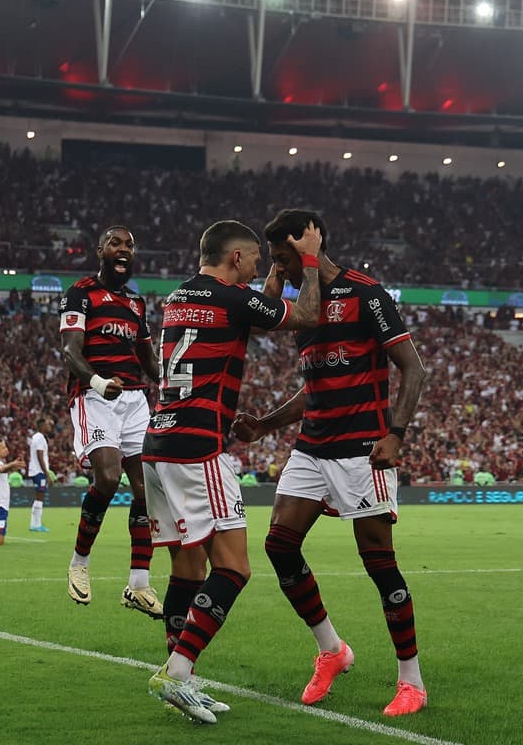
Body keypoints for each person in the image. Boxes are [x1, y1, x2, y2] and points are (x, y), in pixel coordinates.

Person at [232, 209, 429, 717]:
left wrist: (396, 433)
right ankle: (332, 649)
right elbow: (312, 388)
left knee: (379, 563)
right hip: (312, 447)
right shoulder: (303, 306)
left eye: (282, 259)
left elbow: (413, 369)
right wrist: (266, 425)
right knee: (279, 544)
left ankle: (412, 680)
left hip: (363, 448)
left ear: (308, 249)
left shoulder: (367, 294)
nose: (280, 269)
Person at [143, 218, 323, 724]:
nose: (263, 269)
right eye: (258, 262)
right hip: (199, 447)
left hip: (159, 442)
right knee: (235, 567)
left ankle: (182, 677)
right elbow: (305, 313)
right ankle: (177, 673)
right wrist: (308, 259)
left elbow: (255, 309)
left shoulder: (181, 296)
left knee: (186, 568)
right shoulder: (232, 297)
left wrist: (266, 289)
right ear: (238, 260)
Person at [60, 225, 163, 616]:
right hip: (95, 396)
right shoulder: (80, 293)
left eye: (130, 245)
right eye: (116, 243)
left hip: (136, 400)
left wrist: (179, 380)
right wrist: (99, 382)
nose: (124, 249)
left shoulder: (137, 305)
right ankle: (79, 564)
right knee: (107, 477)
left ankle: (138, 584)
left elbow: (151, 364)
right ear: (101, 249)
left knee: (147, 491)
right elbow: (70, 352)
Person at [26, 418, 53, 532]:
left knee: (39, 497)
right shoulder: (39, 438)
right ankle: (36, 525)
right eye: (48, 424)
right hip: (39, 471)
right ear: (42, 426)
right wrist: (46, 474)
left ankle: (35, 523)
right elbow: (40, 455)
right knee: (40, 497)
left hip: (37, 470)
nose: (49, 427)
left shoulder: (37, 437)